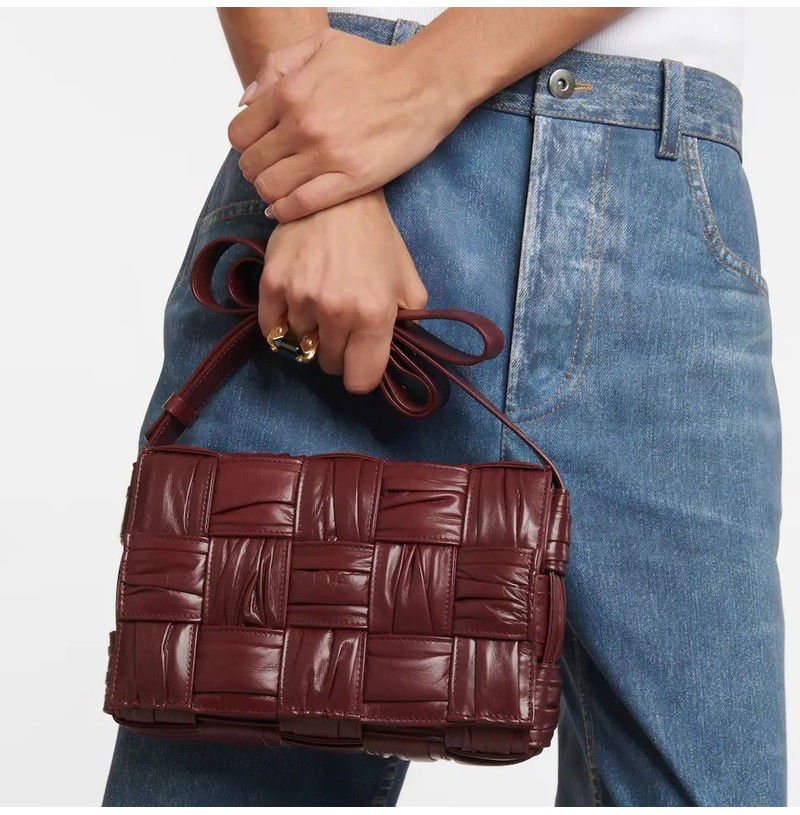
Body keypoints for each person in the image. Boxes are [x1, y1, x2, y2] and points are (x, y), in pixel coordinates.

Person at [102, 7, 785, 807]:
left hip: (653, 208)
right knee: (227, 763)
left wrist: (416, 88)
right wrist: (323, 186)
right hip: (341, 156)